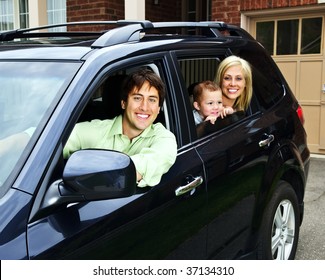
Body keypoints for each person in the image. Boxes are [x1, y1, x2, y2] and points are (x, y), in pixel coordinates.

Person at [63, 68, 177, 188]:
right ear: (124, 103)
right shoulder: (93, 130)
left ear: (158, 109)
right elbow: (51, 148)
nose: (144, 107)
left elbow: (146, 164)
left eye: (152, 100)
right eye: (137, 98)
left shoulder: (164, 138)